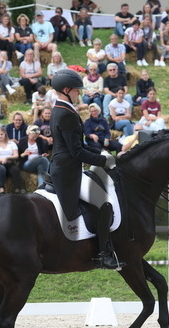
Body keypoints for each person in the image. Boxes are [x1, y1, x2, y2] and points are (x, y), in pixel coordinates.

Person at [49, 69, 121, 269]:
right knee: (105, 204)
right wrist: (103, 161)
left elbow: (78, 146)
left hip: (65, 167)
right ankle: (102, 253)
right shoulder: (66, 114)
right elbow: (76, 152)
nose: (78, 94)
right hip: (68, 173)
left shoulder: (60, 109)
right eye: (76, 91)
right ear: (66, 90)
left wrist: (102, 153)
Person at [0, 127, 22, 194]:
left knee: (15, 169)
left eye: (2, 134)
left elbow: (16, 155)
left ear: (5, 134)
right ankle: (1, 189)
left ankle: (17, 189)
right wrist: (2, 160)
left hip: (9, 162)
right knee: (1, 169)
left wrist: (7, 158)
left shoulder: (12, 144)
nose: (0, 136)